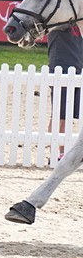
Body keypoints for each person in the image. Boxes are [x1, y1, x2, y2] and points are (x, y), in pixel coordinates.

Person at [47, 26, 83, 163]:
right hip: (61, 67)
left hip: (77, 68)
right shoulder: (57, 21)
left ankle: (62, 152)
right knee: (58, 114)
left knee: (67, 115)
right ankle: (54, 152)